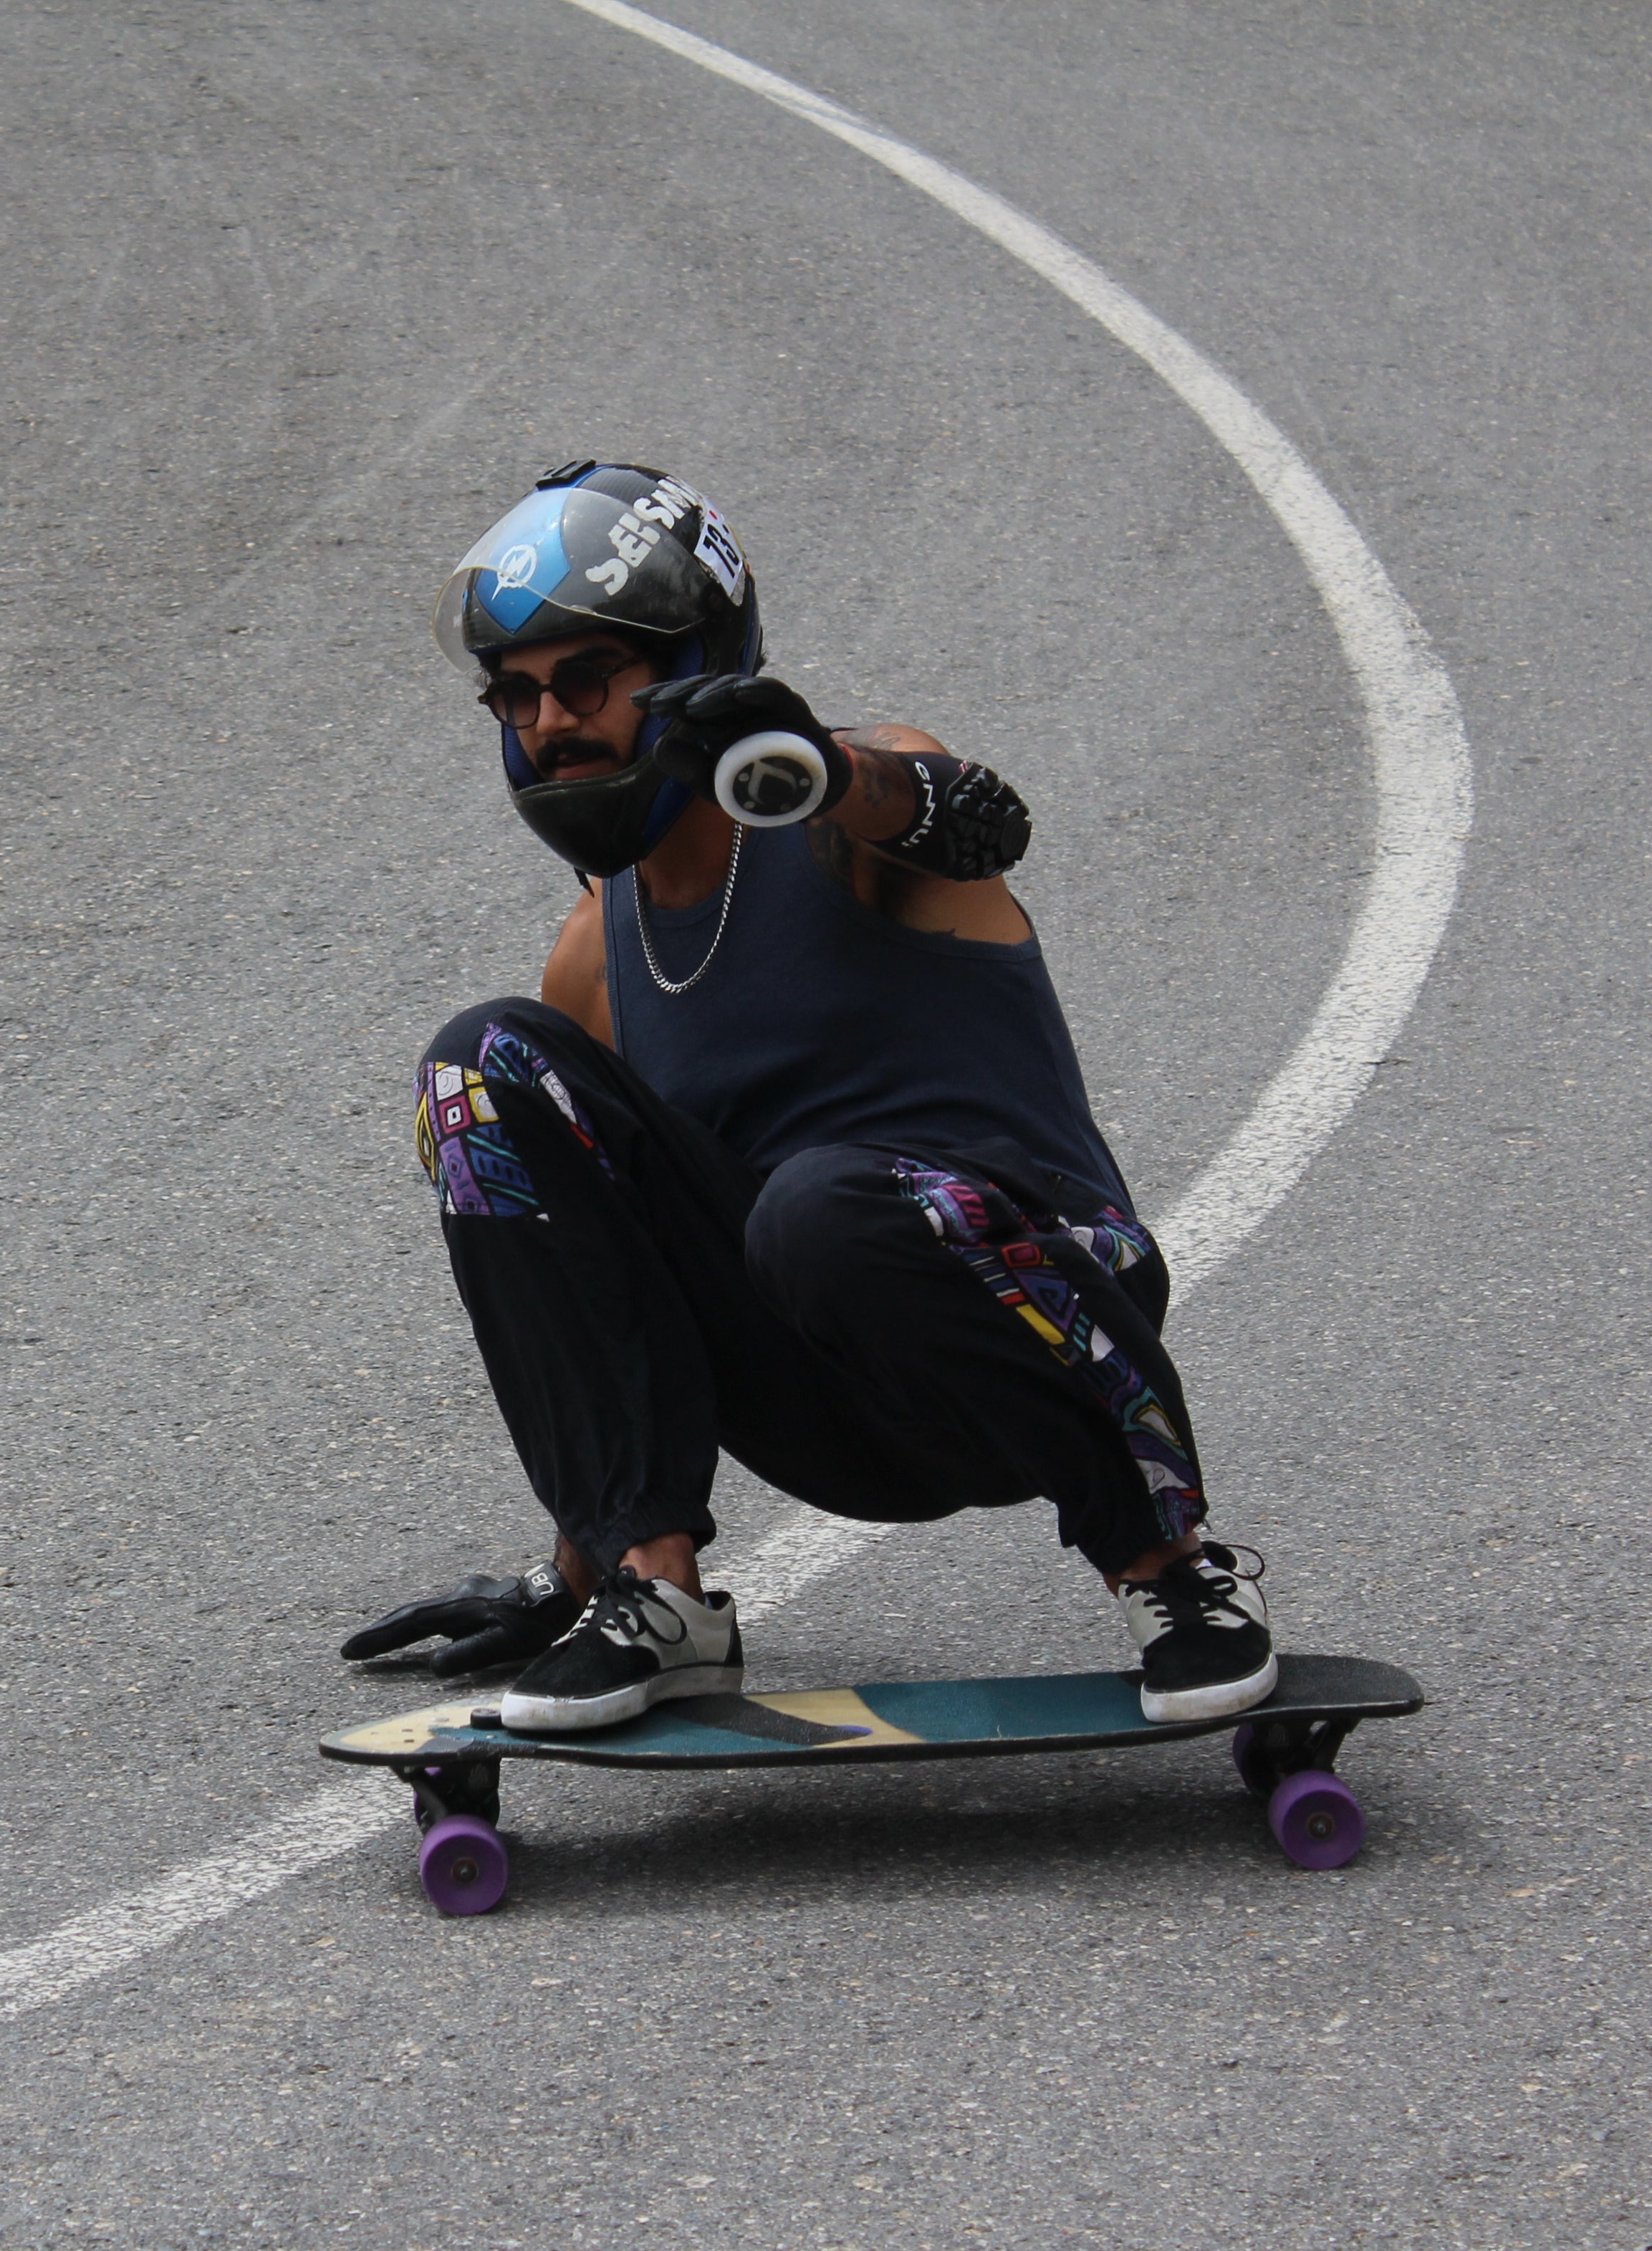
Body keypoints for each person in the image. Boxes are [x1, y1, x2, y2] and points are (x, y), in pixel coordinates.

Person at [340, 459, 1274, 1734]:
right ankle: (649, 1592)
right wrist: (566, 1566)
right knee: (478, 1072)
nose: (549, 723)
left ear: (694, 665)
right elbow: (605, 1276)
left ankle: (1177, 1576)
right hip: (829, 1401)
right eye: (517, 695)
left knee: (822, 1204)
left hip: (1048, 1308)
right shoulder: (591, 951)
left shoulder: (854, 805)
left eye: (586, 680)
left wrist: (817, 769)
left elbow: (969, 825)